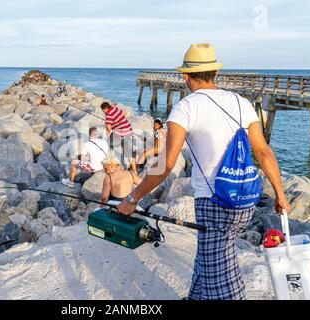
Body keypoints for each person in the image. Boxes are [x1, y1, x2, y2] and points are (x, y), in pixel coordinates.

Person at [117, 43, 291, 300]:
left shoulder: (185, 108)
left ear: (185, 76)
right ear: (215, 74)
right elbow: (264, 152)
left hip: (215, 205)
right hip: (245, 201)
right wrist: (281, 194)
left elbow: (166, 164)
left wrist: (132, 199)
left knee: (224, 286)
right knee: (210, 260)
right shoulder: (241, 103)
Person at [100, 102, 137, 174]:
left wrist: (110, 133)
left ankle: (112, 164)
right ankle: (134, 171)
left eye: (103, 110)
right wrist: (118, 122)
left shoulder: (109, 115)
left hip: (121, 133)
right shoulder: (115, 109)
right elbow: (124, 113)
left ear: (105, 109)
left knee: (108, 144)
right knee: (129, 151)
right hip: (129, 130)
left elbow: (108, 128)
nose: (103, 112)